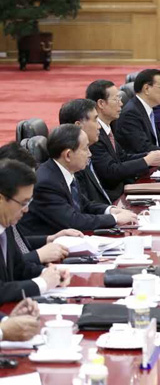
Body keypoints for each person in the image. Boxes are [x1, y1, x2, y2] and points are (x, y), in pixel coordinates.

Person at [19, 125, 137, 236]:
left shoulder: (65, 171)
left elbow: (84, 205)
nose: (90, 154)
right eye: (85, 149)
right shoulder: (47, 183)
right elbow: (72, 221)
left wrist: (111, 210)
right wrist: (114, 219)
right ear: (68, 155)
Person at [85, 80, 160, 202]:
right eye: (116, 99)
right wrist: (146, 161)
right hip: (111, 196)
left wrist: (149, 156)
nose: (121, 104)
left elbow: (123, 158)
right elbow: (111, 172)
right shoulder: (94, 134)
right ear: (101, 103)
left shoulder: (108, 127)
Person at [0, 160, 70, 303]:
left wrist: (48, 273)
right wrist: (42, 283)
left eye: (29, 202)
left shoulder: (6, 225)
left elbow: (18, 267)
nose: (26, 209)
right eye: (23, 203)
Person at [0, 143, 79, 266]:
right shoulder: (8, 211)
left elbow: (18, 245)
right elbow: (11, 266)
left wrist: (49, 239)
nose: (26, 208)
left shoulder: (8, 215)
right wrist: (38, 255)